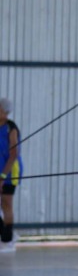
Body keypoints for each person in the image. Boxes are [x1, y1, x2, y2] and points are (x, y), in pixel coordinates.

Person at [0, 96, 16, 250]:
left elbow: (13, 155)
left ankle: (8, 240)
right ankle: (3, 234)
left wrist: (3, 177)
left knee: (6, 203)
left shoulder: (11, 129)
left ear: (5, 112)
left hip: (10, 171)